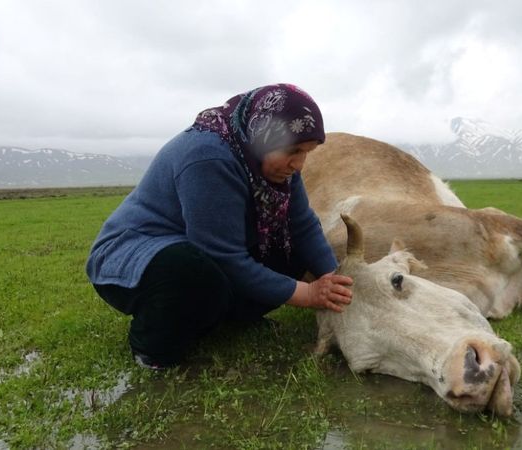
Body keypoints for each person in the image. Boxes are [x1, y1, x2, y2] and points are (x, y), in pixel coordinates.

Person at [86, 83, 353, 370]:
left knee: (289, 248)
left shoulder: (277, 166)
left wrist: (336, 280)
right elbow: (222, 256)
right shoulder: (208, 156)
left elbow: (301, 226)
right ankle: (152, 347)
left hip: (197, 251)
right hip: (136, 256)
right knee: (193, 271)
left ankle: (230, 320)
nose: (299, 164)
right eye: (293, 150)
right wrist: (307, 294)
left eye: (307, 152)